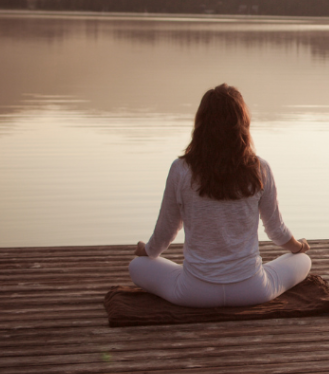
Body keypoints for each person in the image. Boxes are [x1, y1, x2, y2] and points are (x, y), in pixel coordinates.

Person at [129, 83, 311, 307]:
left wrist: (146, 250)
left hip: (194, 293)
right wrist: (299, 247)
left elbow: (166, 230)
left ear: (201, 124)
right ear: (242, 124)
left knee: (136, 266)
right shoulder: (260, 168)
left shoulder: (181, 169)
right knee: (303, 260)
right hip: (252, 290)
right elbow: (276, 231)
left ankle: (192, 275)